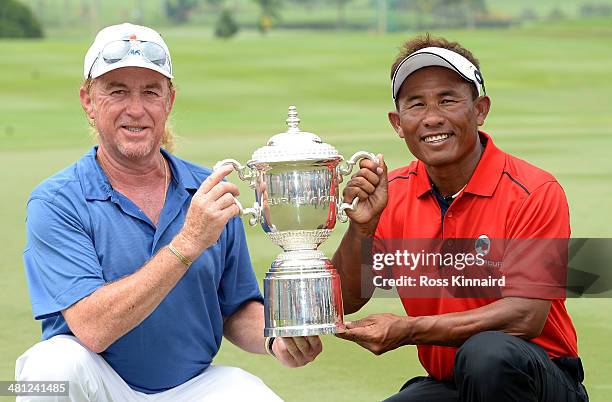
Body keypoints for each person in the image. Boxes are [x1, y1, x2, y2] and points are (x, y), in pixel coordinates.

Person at [16, 23, 321, 402]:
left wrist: (278, 337)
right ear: (88, 102)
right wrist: (188, 242)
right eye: (117, 91)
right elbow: (93, 328)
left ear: (169, 101)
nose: (136, 109)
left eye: (150, 92)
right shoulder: (55, 200)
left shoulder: (206, 189)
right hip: (97, 383)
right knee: (47, 369)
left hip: (191, 385)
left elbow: (236, 308)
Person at [333, 34, 588, 401]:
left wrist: (409, 329)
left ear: (480, 109)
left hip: (538, 380)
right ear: (397, 122)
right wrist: (363, 228)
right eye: (416, 105)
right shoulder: (392, 192)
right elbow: (348, 300)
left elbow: (524, 316)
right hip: (452, 384)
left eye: (448, 100)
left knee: (487, 355)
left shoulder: (533, 190)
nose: (433, 118)